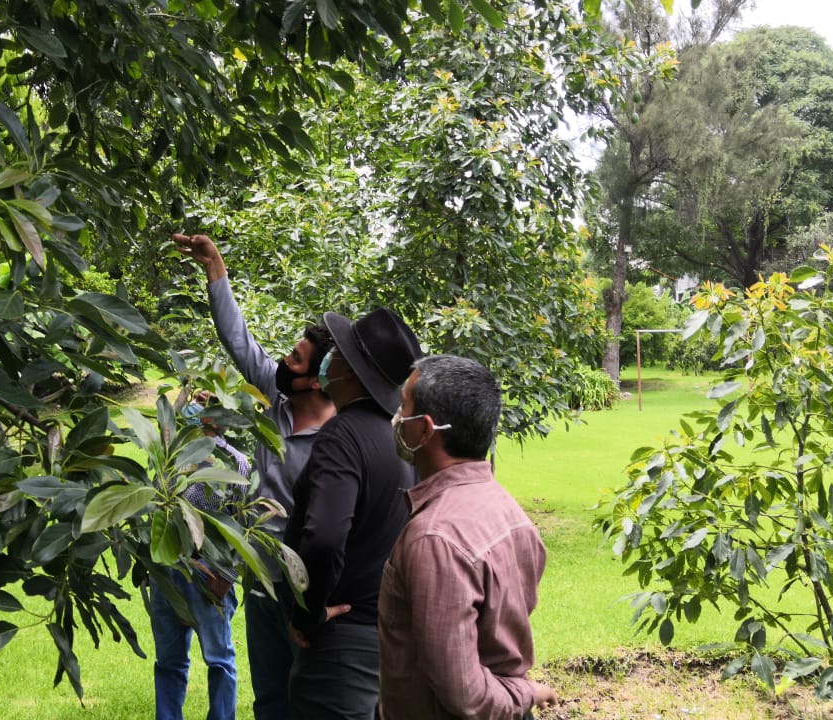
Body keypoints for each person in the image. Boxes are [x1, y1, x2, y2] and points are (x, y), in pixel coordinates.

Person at [173, 232, 337, 720]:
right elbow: (238, 340)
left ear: (317, 380)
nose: (282, 361)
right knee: (269, 700)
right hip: (261, 582)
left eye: (294, 358)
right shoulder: (276, 397)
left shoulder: (340, 439)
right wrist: (215, 271)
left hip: (308, 592)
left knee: (312, 699)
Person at [379, 354, 559, 720]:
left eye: (404, 408)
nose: (397, 419)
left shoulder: (435, 538)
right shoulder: (511, 513)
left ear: (425, 429)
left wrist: (524, 693)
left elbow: (466, 695)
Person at [282, 307, 423, 720]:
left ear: (349, 371)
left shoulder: (341, 437)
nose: (330, 360)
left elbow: (324, 537)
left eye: (337, 354)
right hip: (386, 635)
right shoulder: (399, 439)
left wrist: (308, 612)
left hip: (342, 647)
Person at [148, 397, 251, 720]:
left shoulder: (235, 464)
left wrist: (229, 575)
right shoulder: (170, 459)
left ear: (218, 416)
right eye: (195, 398)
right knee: (168, 661)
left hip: (210, 573)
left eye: (205, 401)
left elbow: (244, 524)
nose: (195, 404)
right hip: (168, 570)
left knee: (219, 660)